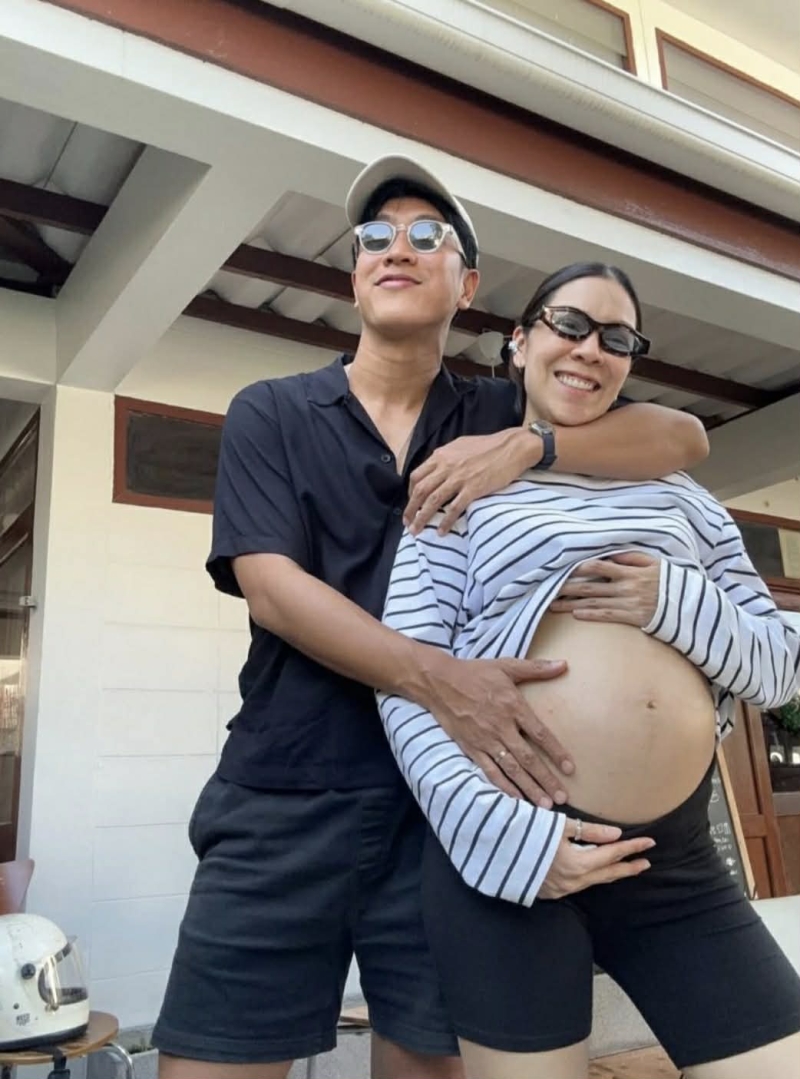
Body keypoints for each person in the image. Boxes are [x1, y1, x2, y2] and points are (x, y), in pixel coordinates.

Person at [153, 158, 710, 1079]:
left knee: (429, 1063)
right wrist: (440, 679)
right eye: (374, 237)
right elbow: (271, 587)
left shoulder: (499, 409)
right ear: (355, 276)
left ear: (468, 284)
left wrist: (532, 445)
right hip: (284, 791)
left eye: (427, 236)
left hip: (447, 812)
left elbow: (682, 439)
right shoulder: (273, 411)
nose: (396, 249)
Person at [378, 261, 800, 1079]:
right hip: (514, 854)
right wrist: (505, 839)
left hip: (673, 861)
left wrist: (673, 599)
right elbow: (408, 681)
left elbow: (780, 668)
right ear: (519, 342)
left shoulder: (685, 499)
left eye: (617, 338)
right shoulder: (461, 493)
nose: (589, 349)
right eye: (569, 324)